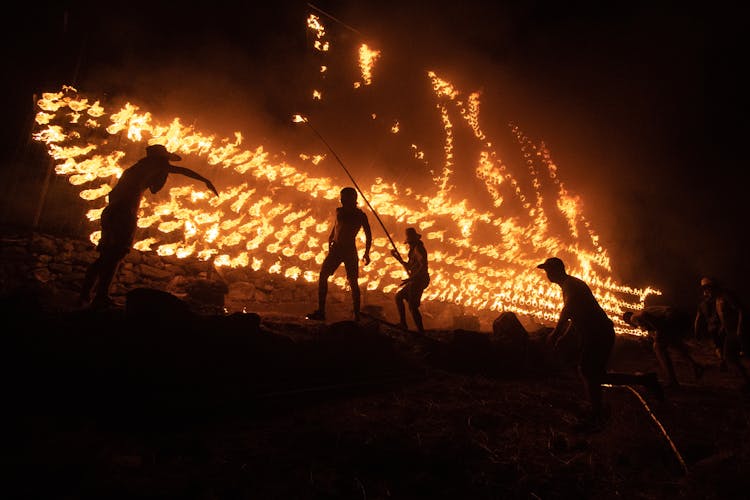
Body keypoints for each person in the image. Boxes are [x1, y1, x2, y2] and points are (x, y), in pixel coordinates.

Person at [80, 144, 218, 309]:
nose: (167, 167)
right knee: (115, 255)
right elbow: (179, 173)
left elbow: (122, 193)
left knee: (105, 256)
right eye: (166, 162)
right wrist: (205, 180)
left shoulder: (136, 170)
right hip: (123, 215)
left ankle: (86, 295)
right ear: (161, 159)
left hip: (111, 213)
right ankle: (100, 297)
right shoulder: (157, 165)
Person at [538, 257, 664, 429]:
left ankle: (597, 413)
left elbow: (567, 311)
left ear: (557, 270)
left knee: (588, 371)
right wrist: (564, 336)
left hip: (599, 333)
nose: (547, 275)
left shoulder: (571, 286)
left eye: (548, 270)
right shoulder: (569, 285)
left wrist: (555, 333)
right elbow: (575, 317)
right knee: (596, 374)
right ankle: (644, 381)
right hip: (595, 333)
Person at [307, 187, 372, 321]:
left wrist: (367, 253)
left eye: (343, 197)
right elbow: (336, 226)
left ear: (351, 198)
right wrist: (330, 238)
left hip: (349, 250)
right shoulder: (339, 211)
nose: (341, 199)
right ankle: (321, 311)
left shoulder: (359, 215)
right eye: (341, 197)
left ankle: (357, 316)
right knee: (323, 275)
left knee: (353, 282)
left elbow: (368, 234)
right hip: (336, 249)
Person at [622, 306, 705, 388]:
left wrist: (658, 331)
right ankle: (695, 365)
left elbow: (645, 316)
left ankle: (672, 381)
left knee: (658, 348)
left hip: (671, 317)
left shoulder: (634, 317)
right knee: (673, 344)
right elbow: (653, 327)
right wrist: (652, 336)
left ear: (628, 320)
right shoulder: (642, 313)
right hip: (679, 316)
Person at [694, 276, 749, 391]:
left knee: (739, 356)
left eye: (707, 288)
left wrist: (740, 328)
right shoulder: (717, 300)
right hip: (730, 331)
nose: (706, 291)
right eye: (704, 289)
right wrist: (723, 328)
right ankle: (747, 381)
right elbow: (723, 316)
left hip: (737, 331)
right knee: (730, 357)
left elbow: (741, 311)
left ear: (713, 287)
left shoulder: (726, 296)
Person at [390, 227, 430, 333]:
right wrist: (396, 257)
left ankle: (421, 331)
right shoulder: (413, 251)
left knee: (412, 306)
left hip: (419, 280)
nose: (409, 244)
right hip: (414, 280)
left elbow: (423, 266)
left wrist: (411, 278)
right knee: (399, 297)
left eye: (410, 242)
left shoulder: (418, 249)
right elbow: (408, 266)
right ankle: (403, 323)